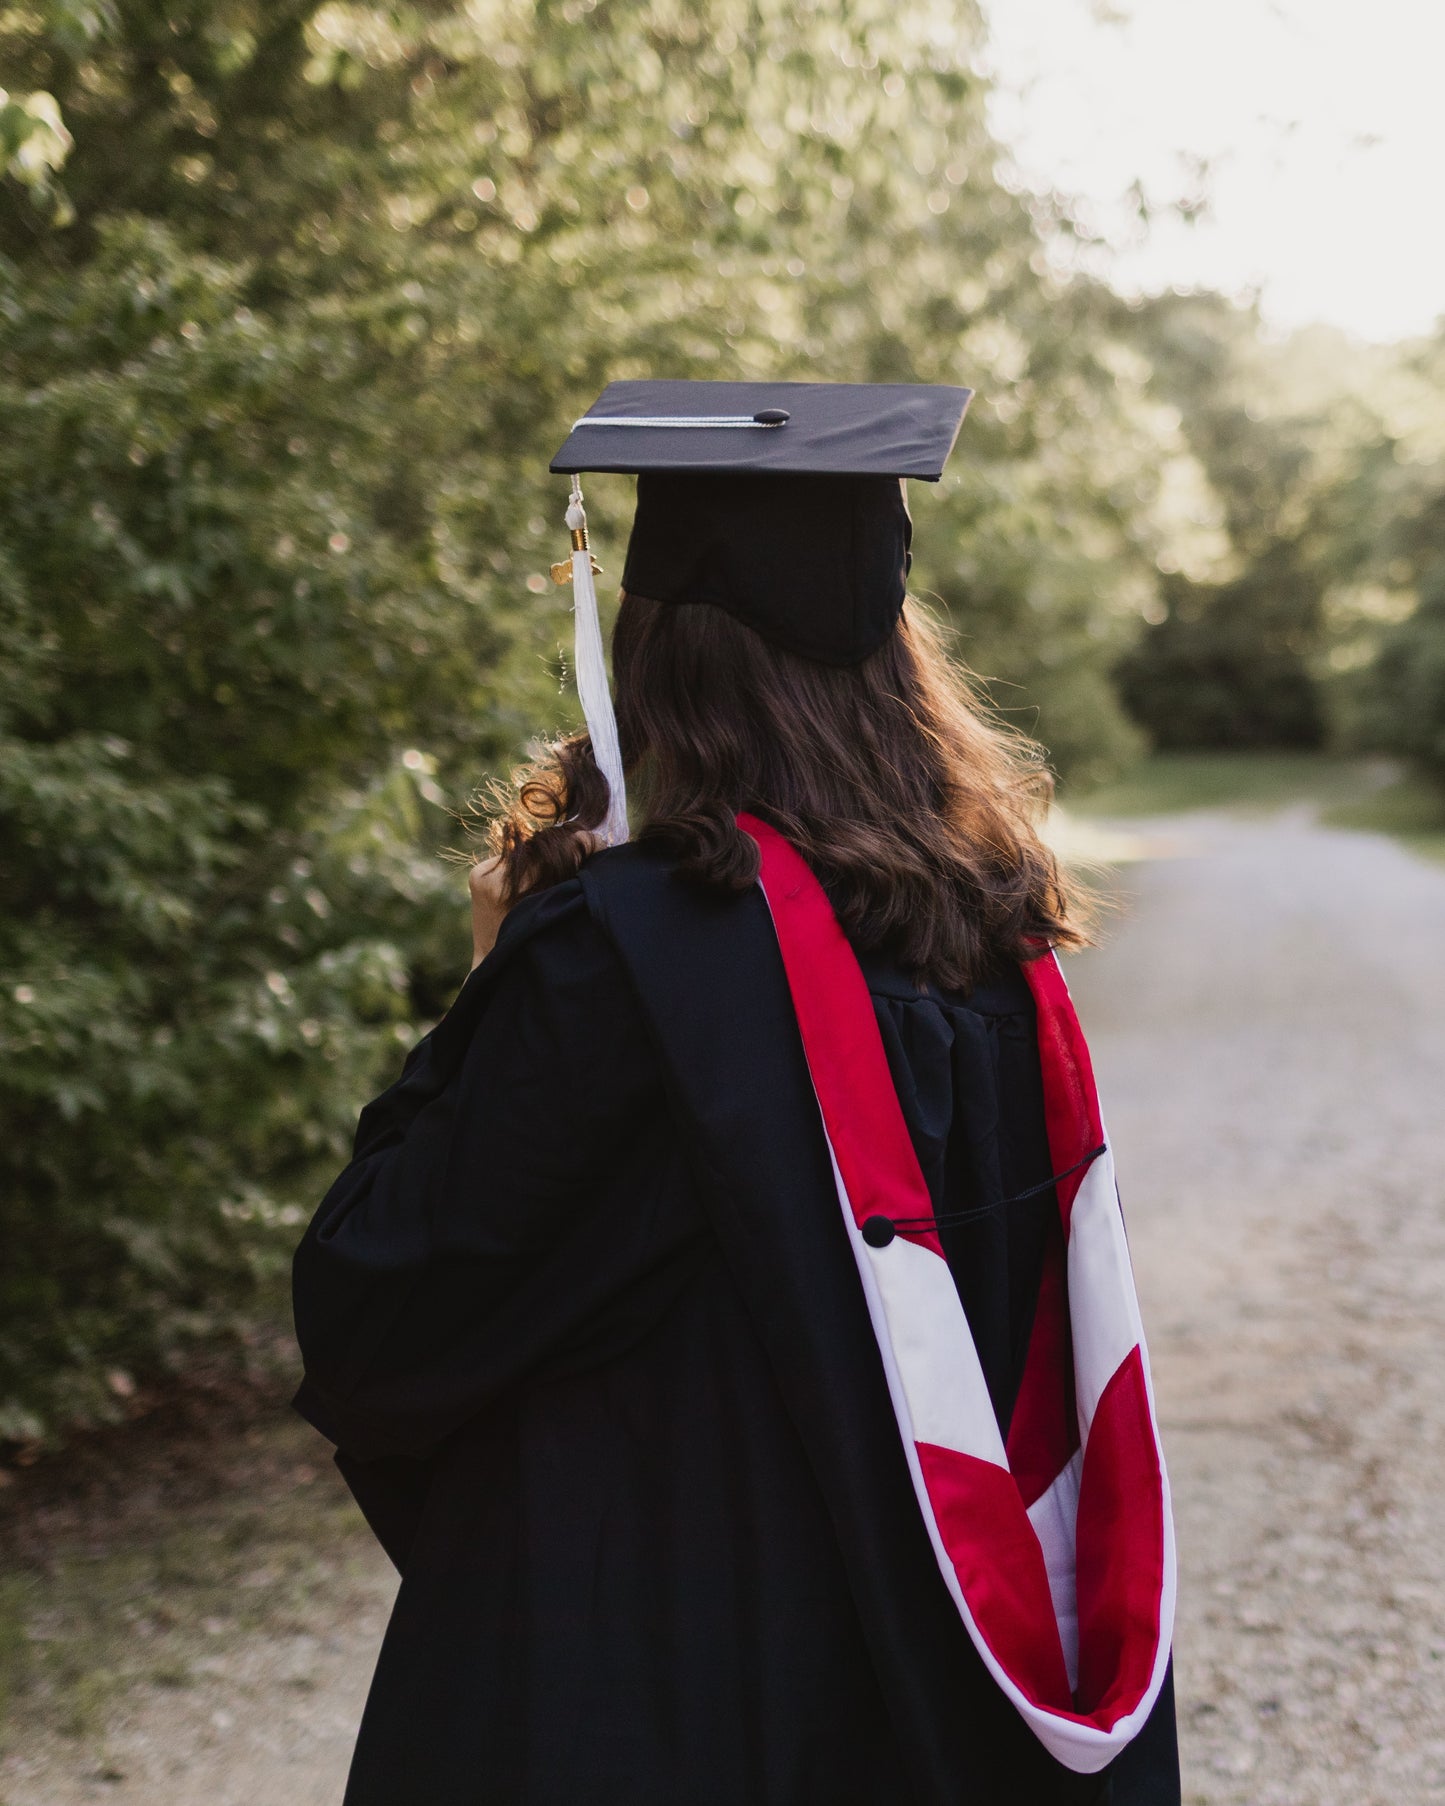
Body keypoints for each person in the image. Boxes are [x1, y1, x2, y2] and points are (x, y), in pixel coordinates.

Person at [292, 381, 1181, 1805]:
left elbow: (374, 1309)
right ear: (896, 656)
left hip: (632, 1689)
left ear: (653, 650)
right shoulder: (989, 946)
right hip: (916, 1693)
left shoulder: (619, 958)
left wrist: (490, 985)